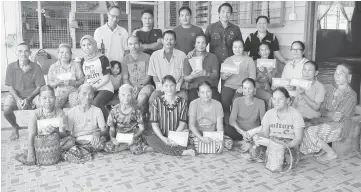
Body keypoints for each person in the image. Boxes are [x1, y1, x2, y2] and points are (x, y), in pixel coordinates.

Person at [300, 64, 357, 161]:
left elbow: (337, 118)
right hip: (328, 121)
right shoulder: (331, 90)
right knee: (304, 127)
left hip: (341, 126)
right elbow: (321, 109)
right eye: (336, 73)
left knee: (310, 130)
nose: (337, 76)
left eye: (341, 74)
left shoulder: (351, 95)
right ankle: (318, 148)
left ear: (349, 77)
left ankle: (331, 153)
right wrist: (328, 114)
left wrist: (316, 120)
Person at [250, 87, 305, 169]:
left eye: (280, 99)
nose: (276, 102)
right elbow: (264, 133)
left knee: (288, 161)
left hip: (289, 143)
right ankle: (270, 156)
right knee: (254, 151)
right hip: (273, 141)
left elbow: (298, 138)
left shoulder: (295, 114)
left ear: (287, 100)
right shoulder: (269, 113)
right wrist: (257, 136)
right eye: (274, 99)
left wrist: (284, 147)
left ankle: (294, 154)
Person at [15, 85, 67, 165]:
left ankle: (45, 154)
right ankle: (36, 153)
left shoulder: (61, 113)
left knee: (70, 141)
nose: (48, 101)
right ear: (39, 99)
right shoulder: (35, 114)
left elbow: (63, 134)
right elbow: (31, 134)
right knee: (28, 145)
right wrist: (30, 154)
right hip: (39, 142)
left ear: (55, 98)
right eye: (44, 98)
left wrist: (56, 131)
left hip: (56, 142)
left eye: (51, 97)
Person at [4, 42, 46, 140]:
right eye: (20, 51)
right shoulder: (11, 67)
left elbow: (39, 87)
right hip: (16, 95)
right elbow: (10, 87)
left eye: (26, 51)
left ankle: (41, 128)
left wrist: (28, 99)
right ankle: (14, 126)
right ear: (16, 53)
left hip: (33, 95)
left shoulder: (36, 67)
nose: (23, 54)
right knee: (6, 110)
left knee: (42, 106)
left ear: (30, 53)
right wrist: (18, 99)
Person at [145, 75, 195, 156]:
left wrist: (173, 137)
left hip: (177, 134)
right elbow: (154, 124)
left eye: (172, 85)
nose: (169, 88)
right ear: (162, 87)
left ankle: (159, 149)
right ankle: (181, 152)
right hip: (161, 136)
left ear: (176, 86)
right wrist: (163, 138)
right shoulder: (156, 102)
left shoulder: (182, 102)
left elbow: (182, 123)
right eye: (166, 86)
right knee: (150, 139)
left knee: (186, 136)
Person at [63, 84, 108, 163]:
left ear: (93, 96)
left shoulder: (97, 111)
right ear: (78, 95)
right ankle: (84, 150)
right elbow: (68, 133)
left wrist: (97, 133)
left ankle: (81, 151)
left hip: (91, 139)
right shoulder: (71, 113)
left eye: (90, 94)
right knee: (68, 142)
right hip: (76, 140)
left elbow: (104, 130)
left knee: (101, 142)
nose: (87, 97)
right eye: (84, 93)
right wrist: (76, 140)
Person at [188, 81, 233, 154]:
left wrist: (220, 140)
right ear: (198, 93)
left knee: (228, 143)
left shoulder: (217, 104)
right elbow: (191, 125)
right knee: (187, 140)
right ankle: (205, 146)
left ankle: (203, 147)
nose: (205, 95)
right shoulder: (193, 104)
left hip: (212, 134)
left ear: (211, 91)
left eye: (208, 91)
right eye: (202, 92)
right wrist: (201, 138)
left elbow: (220, 126)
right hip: (198, 134)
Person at [148, 30, 188, 104]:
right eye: (166, 39)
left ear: (175, 41)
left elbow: (183, 75)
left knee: (184, 99)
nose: (169, 41)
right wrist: (161, 88)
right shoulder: (155, 55)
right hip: (161, 88)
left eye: (171, 39)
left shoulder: (182, 55)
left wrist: (177, 87)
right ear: (162, 41)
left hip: (177, 88)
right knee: (152, 100)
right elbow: (154, 75)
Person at [104, 84, 146, 154]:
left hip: (133, 136)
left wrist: (134, 137)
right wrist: (112, 138)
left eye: (128, 95)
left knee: (136, 149)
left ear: (132, 95)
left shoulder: (136, 110)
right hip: (120, 136)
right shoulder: (114, 111)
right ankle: (126, 146)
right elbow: (112, 128)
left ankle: (128, 146)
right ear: (118, 95)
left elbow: (141, 128)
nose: (125, 98)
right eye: (123, 95)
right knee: (108, 147)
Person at [79, 35, 114, 119]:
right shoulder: (83, 60)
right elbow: (86, 78)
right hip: (91, 88)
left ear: (94, 45)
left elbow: (107, 78)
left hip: (105, 88)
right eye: (84, 45)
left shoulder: (102, 58)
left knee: (95, 103)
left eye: (89, 44)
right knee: (83, 102)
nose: (86, 47)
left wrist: (93, 88)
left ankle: (111, 121)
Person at [220, 39, 256, 114]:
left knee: (236, 102)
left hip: (242, 87)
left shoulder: (249, 60)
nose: (237, 49)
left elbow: (252, 77)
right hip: (228, 85)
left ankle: (235, 122)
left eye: (240, 47)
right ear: (232, 48)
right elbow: (222, 76)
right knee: (224, 101)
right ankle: (227, 121)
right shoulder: (228, 60)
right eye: (235, 47)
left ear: (243, 48)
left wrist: (244, 88)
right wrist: (226, 75)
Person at [122, 36, 155, 112]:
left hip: (146, 85)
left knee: (141, 97)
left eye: (135, 43)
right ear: (127, 45)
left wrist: (140, 86)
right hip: (131, 86)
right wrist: (131, 88)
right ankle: (131, 120)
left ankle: (142, 120)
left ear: (140, 44)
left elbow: (148, 76)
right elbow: (125, 78)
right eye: (130, 44)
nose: (133, 46)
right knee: (127, 98)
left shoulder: (147, 57)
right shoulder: (125, 59)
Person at [183, 35, 220, 102]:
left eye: (203, 42)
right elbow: (186, 78)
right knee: (193, 102)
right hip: (194, 88)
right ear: (194, 44)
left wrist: (206, 73)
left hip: (210, 87)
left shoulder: (213, 57)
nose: (201, 45)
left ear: (206, 44)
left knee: (216, 101)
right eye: (198, 42)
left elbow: (216, 75)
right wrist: (191, 76)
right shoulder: (188, 58)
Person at [47, 43, 84, 109]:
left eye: (67, 52)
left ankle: (76, 118)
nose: (64, 54)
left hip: (73, 90)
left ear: (70, 55)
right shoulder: (53, 67)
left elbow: (81, 80)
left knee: (76, 103)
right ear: (58, 54)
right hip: (59, 91)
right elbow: (49, 83)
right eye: (61, 52)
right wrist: (56, 83)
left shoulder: (75, 65)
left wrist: (73, 83)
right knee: (54, 106)